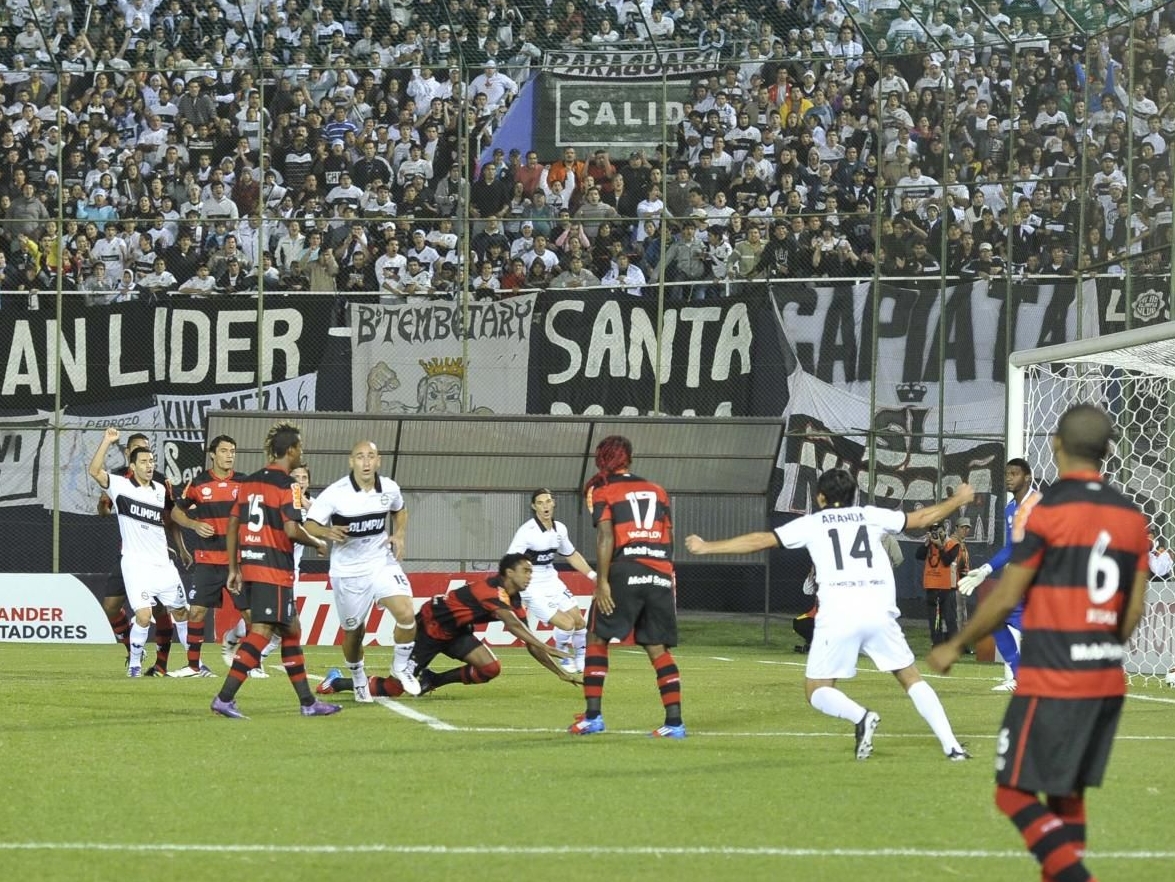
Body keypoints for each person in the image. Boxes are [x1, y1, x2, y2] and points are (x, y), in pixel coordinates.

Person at [929, 404, 1150, 882]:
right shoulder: (1132, 518)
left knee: (1012, 793)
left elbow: (1009, 593)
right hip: (1106, 677)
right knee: (1067, 795)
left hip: (1055, 675)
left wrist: (956, 643)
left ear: (1057, 447)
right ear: (1106, 452)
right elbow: (1132, 611)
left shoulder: (1049, 511)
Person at [686, 470, 973, 761]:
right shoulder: (869, 515)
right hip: (878, 610)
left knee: (817, 689)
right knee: (911, 677)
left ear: (820, 497)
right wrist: (958, 498)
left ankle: (861, 716)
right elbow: (922, 518)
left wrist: (707, 546)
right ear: (853, 496)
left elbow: (760, 540)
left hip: (838, 612)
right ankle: (953, 747)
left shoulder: (812, 523)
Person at [210, 422, 340, 719]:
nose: (301, 452)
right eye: (300, 447)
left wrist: (233, 567)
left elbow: (233, 525)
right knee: (262, 632)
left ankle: (308, 703)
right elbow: (292, 529)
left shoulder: (249, 482)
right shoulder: (288, 486)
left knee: (291, 630)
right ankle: (224, 698)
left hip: (251, 566)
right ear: (291, 450)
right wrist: (317, 542)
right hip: (273, 570)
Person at [319, 553, 577, 698]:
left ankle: (432, 680)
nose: (530, 576)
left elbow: (527, 639)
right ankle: (337, 682)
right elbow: (512, 625)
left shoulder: (514, 598)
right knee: (394, 689)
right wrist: (545, 645)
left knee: (490, 668)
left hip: (455, 632)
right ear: (509, 573)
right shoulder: (490, 591)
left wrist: (559, 672)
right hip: (429, 629)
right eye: (526, 571)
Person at [569, 435, 685, 739]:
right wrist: (665, 577)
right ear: (629, 458)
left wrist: (603, 581)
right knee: (657, 647)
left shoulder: (602, 488)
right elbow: (669, 538)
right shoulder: (658, 491)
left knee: (596, 636)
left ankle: (593, 717)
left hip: (626, 569)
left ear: (601, 459)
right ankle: (674, 723)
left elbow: (606, 537)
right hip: (660, 571)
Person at [304, 440, 422, 702]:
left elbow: (399, 510)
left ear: (378, 461)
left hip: (380, 562)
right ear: (351, 461)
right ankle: (358, 679)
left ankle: (401, 667)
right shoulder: (336, 493)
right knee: (354, 633)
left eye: (371, 456)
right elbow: (310, 525)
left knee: (406, 612)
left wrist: (400, 534)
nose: (366, 462)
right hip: (348, 572)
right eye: (360, 457)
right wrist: (326, 531)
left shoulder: (389, 488)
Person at [87, 428, 190, 678]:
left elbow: (170, 517)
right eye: (140, 456)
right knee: (121, 609)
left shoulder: (160, 486)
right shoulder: (119, 482)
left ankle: (173, 665)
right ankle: (134, 656)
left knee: (171, 612)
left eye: (151, 458)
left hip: (160, 561)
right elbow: (97, 479)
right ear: (129, 457)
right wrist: (106, 441)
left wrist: (181, 545)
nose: (148, 463)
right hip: (132, 559)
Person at [958, 458, 1041, 692]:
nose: (1008, 478)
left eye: (1014, 474)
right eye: (1006, 474)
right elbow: (1011, 547)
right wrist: (985, 570)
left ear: (1027, 477)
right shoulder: (1010, 509)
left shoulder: (1039, 505)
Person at [167, 434, 240, 677]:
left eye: (232, 451)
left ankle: (250, 663)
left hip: (236, 563)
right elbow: (176, 513)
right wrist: (194, 525)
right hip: (207, 561)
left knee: (253, 616)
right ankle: (193, 666)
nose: (229, 455)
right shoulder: (198, 483)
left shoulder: (244, 483)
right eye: (224, 451)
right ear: (212, 454)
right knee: (197, 612)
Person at [506, 489, 596, 673]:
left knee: (579, 622)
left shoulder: (560, 529)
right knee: (567, 624)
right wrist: (513, 589)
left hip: (552, 581)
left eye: (548, 501)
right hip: (532, 587)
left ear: (553, 503)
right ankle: (563, 655)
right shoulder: (527, 532)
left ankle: (580, 657)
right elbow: (510, 559)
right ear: (534, 506)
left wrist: (593, 576)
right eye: (540, 503)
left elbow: (571, 554)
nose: (545, 506)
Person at [916, 520, 961, 645]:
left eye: (939, 532)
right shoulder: (929, 544)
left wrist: (941, 546)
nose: (937, 535)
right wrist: (926, 543)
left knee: (950, 619)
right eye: (934, 532)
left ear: (944, 531)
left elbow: (947, 561)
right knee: (934, 620)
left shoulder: (953, 544)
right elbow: (918, 556)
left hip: (947, 588)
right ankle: (937, 645)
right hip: (931, 586)